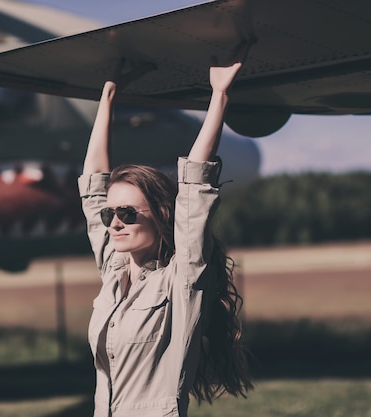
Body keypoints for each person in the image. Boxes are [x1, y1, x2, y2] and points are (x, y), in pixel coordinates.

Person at [78, 55, 253, 417]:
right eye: (110, 214)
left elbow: (195, 188)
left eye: (127, 213)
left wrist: (219, 95)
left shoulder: (182, 279)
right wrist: (108, 97)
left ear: (160, 217)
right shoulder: (114, 271)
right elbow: (94, 185)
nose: (114, 223)